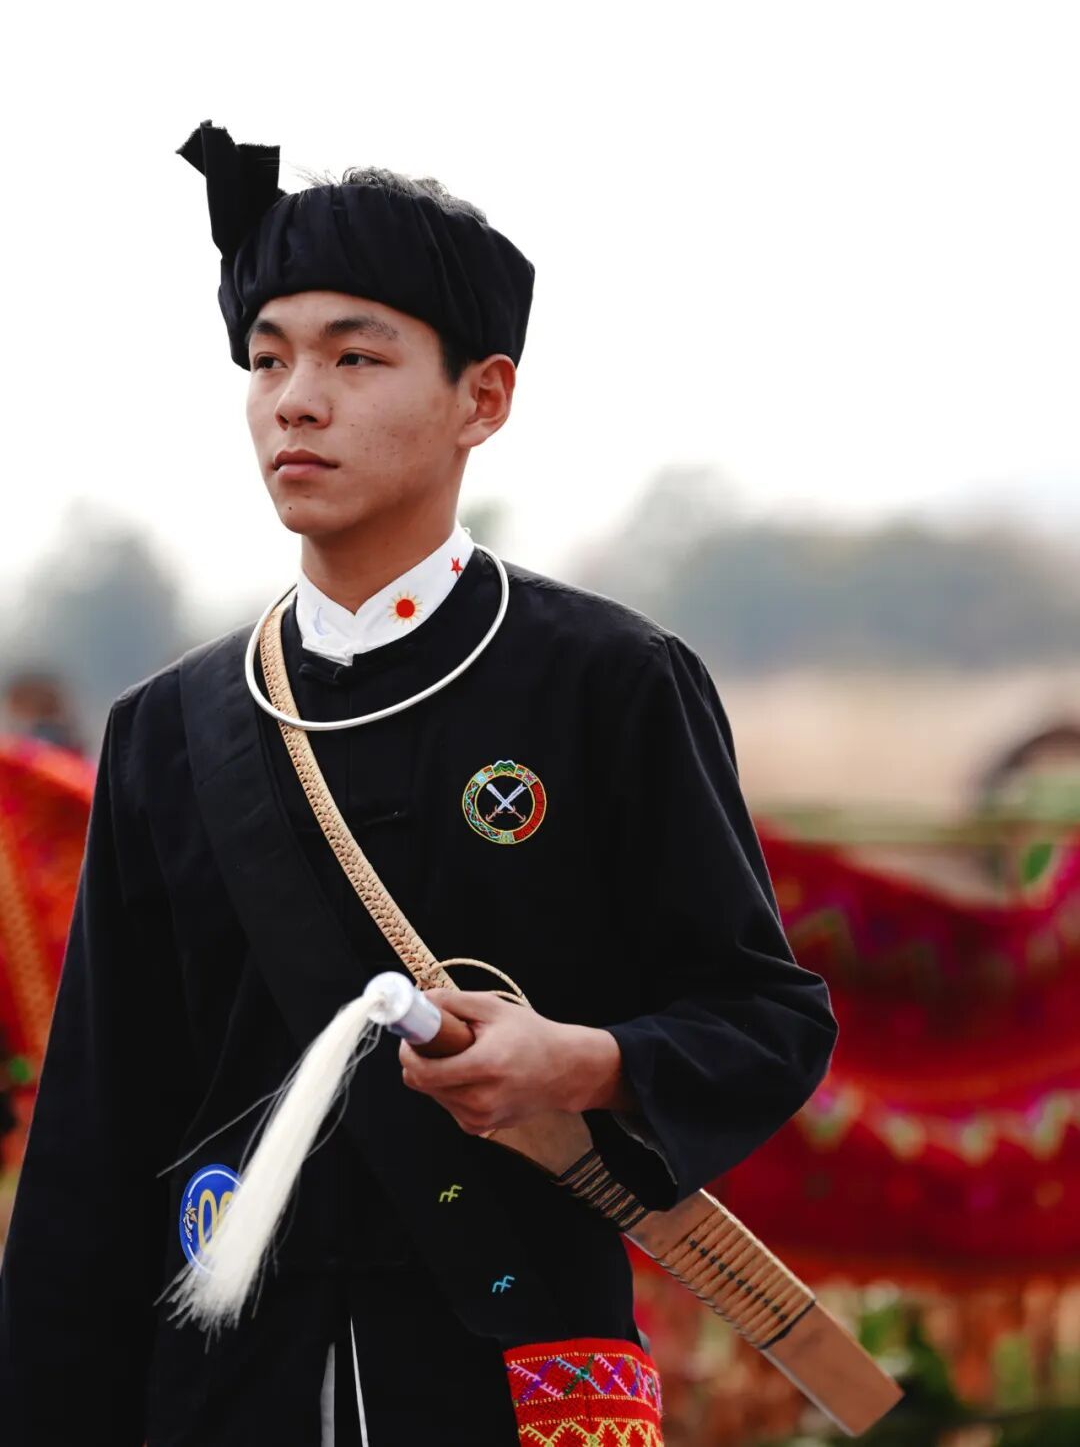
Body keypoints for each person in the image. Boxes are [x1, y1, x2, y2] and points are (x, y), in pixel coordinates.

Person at [0, 120, 838, 1446]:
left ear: (482, 399)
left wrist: (585, 1062)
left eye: (355, 356)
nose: (296, 400)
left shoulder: (609, 684)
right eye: (268, 358)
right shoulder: (168, 729)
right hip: (225, 1395)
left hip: (519, 1377)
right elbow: (94, 1144)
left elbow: (767, 1018)